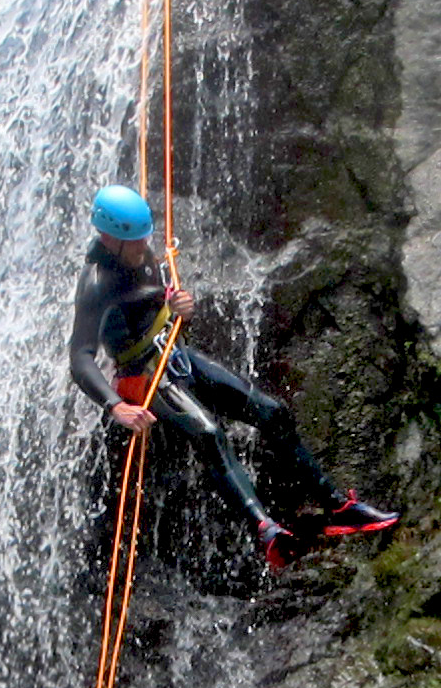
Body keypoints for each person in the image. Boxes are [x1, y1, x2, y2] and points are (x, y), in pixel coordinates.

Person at [67, 184, 398, 571]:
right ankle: (266, 531)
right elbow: (80, 356)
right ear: (109, 238)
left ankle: (338, 506)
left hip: (175, 354)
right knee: (208, 434)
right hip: (141, 374)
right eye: (136, 242)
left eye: (145, 239)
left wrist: (177, 305)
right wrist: (116, 406)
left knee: (272, 411)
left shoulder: (139, 250)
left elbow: (153, 295)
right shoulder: (95, 284)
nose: (144, 248)